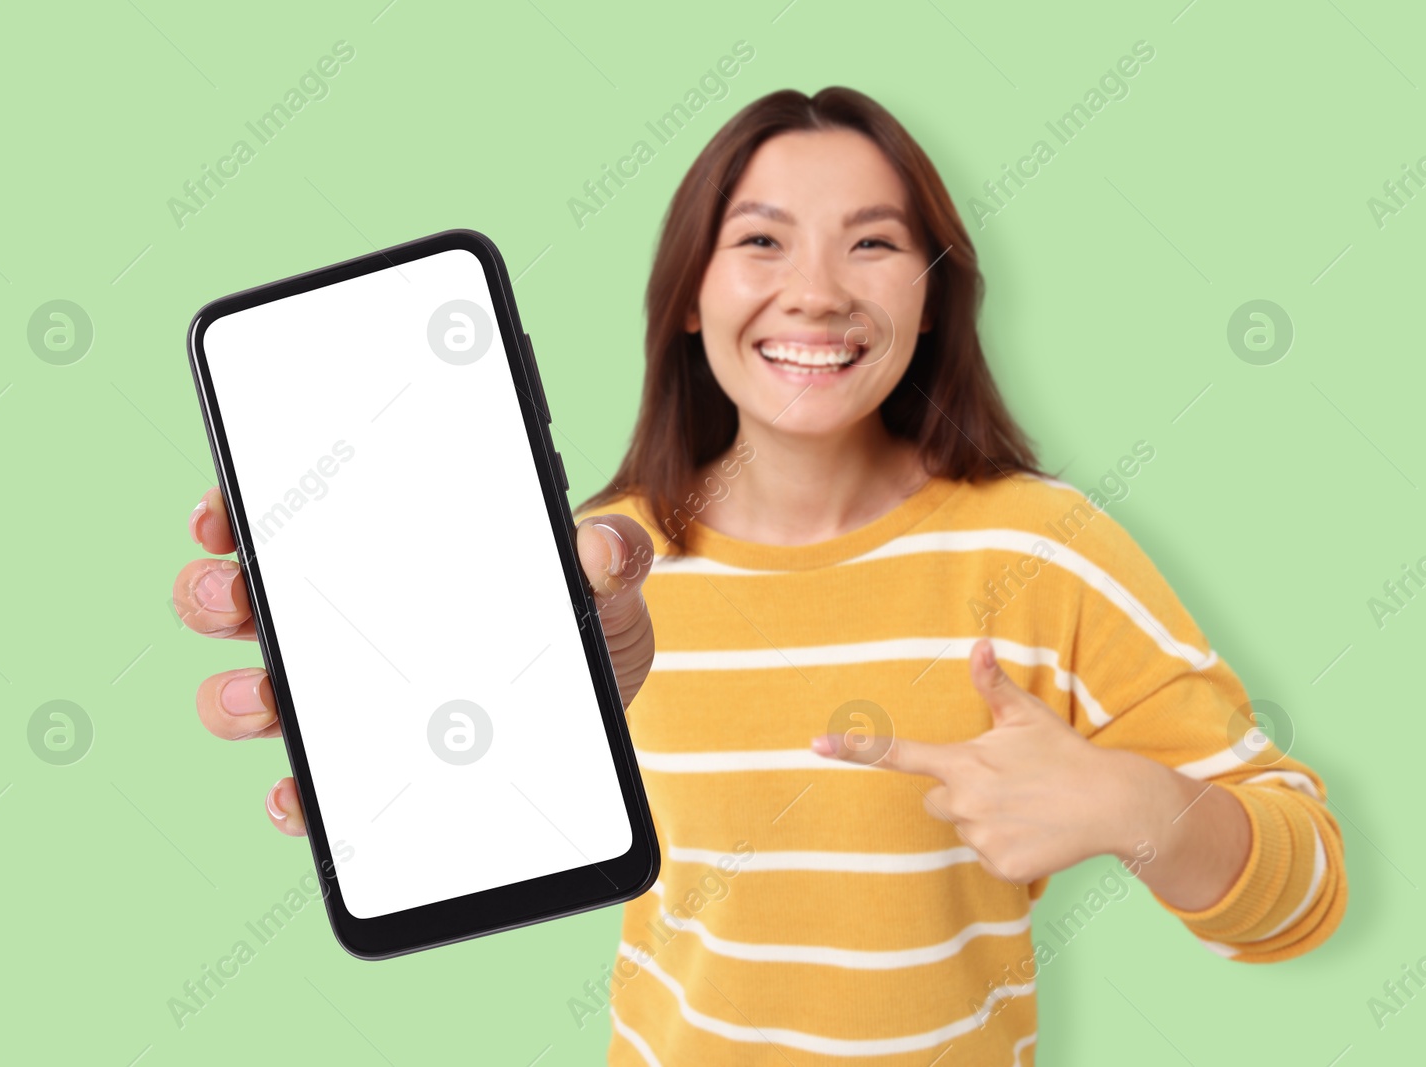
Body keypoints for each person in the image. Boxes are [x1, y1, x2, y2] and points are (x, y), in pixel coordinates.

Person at [175, 87, 1346, 1065]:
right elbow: (466, 803)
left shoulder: (1046, 551)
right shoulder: (597, 567)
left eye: (874, 242)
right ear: (691, 292)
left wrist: (1138, 808)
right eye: (761, 240)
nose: (819, 290)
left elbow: (1304, 893)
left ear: (932, 292)